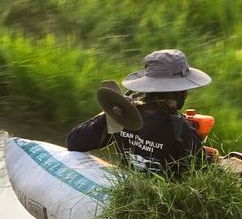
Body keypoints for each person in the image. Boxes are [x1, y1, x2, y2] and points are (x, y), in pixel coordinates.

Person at [66, 49, 211, 175]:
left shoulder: (122, 114)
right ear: (180, 92)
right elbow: (206, 176)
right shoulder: (180, 130)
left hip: (126, 191)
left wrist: (110, 112)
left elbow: (74, 142)